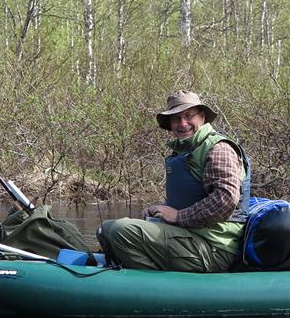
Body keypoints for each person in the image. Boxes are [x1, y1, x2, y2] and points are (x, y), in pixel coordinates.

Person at [97, 91, 251, 272]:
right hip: (189, 236)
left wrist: (177, 216)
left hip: (215, 247)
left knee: (122, 230)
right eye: (176, 119)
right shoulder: (184, 151)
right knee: (106, 229)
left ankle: (151, 282)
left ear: (202, 117)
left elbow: (225, 201)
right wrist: (161, 209)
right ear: (170, 124)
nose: (183, 123)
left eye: (189, 116)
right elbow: (191, 197)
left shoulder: (219, 149)